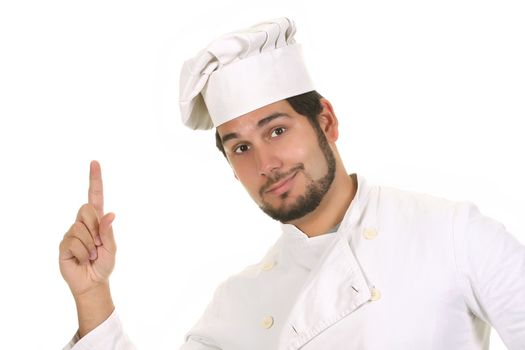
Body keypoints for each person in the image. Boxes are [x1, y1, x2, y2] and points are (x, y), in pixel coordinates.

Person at [59, 18, 525, 349]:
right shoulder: (237, 304)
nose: (266, 162)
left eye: (276, 130)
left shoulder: (451, 233)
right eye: (240, 147)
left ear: (326, 121)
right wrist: (92, 294)